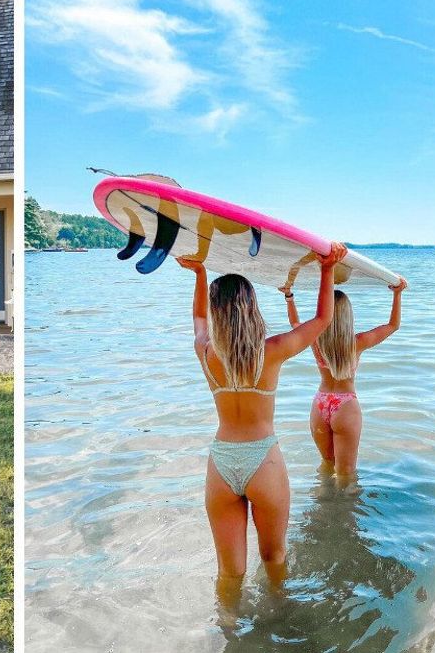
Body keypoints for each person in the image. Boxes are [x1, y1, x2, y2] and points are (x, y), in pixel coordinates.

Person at [176, 242, 347, 615]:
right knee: (274, 558)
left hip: (220, 464)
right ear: (251, 309)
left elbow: (199, 321)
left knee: (230, 571)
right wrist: (327, 267)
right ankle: (279, 623)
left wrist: (200, 274)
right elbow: (322, 321)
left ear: (218, 313)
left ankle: (229, 631)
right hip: (262, 461)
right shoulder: (272, 351)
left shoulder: (205, 352)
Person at [279, 275, 406, 480]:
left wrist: (289, 296)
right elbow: (393, 325)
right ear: (348, 316)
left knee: (327, 466)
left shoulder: (315, 339)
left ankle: (323, 508)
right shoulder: (358, 342)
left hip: (321, 404)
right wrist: (397, 294)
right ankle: (343, 511)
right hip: (345, 406)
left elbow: (295, 323)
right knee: (346, 476)